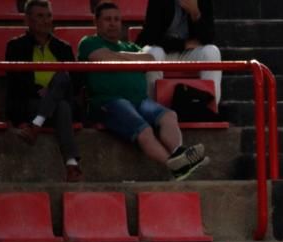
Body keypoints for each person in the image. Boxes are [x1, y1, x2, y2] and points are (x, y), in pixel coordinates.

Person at [78, 2, 209, 180]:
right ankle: (174, 165)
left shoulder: (129, 46)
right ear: (96, 22)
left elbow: (149, 59)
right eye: (107, 19)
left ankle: (179, 152)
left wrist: (119, 57)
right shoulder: (89, 42)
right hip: (109, 101)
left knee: (169, 116)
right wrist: (130, 60)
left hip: (139, 101)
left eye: (117, 19)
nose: (113, 23)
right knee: (144, 129)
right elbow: (101, 57)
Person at [5, 0, 82, 182]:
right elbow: (15, 81)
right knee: (61, 106)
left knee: (62, 77)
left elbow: (76, 81)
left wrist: (53, 89)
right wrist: (40, 90)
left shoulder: (63, 48)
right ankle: (71, 164)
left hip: (58, 96)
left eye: (48, 16)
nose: (46, 20)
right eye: (40, 16)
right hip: (31, 101)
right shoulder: (16, 46)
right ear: (28, 20)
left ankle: (36, 126)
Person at [137, 0, 222, 104]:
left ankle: (211, 107)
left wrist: (195, 13)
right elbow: (151, 37)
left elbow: (208, 37)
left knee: (212, 51)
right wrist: (183, 44)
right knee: (153, 53)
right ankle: (153, 107)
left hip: (189, 52)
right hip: (165, 50)